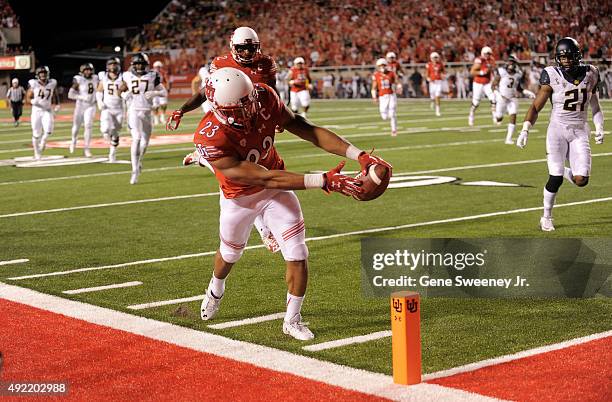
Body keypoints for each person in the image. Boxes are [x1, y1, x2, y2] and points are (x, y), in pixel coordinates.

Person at [185, 67, 390, 340]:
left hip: (274, 190)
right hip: (241, 197)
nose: (248, 111)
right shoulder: (209, 136)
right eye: (239, 109)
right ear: (220, 109)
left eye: (250, 103)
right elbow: (265, 178)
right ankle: (216, 288)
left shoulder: (264, 97)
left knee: (297, 252)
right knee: (230, 255)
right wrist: (324, 181)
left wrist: (359, 155)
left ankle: (292, 319)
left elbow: (307, 130)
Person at [168, 27, 282, 253]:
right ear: (233, 47)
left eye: (251, 48)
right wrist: (182, 109)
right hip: (227, 125)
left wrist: (278, 115)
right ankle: (265, 231)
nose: (248, 53)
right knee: (242, 179)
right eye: (243, 48)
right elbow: (204, 92)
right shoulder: (221, 63)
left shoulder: (266, 64)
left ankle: (203, 159)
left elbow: (273, 91)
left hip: (255, 123)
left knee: (254, 170)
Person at [516, 37, 604, 231]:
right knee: (554, 177)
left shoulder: (591, 73)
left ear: (577, 56)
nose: (564, 61)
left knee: (582, 180)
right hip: (557, 129)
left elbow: (595, 105)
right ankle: (546, 216)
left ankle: (565, 171)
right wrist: (525, 129)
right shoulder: (551, 75)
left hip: (580, 130)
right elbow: (535, 106)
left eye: (568, 57)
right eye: (561, 58)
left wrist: (599, 126)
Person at [119, 52, 167, 184]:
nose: (139, 66)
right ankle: (134, 171)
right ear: (133, 65)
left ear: (146, 65)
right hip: (133, 111)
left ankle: (139, 162)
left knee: (145, 142)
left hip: (147, 112)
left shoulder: (153, 75)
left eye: (141, 64)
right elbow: (120, 90)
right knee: (137, 138)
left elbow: (164, 92)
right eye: (137, 64)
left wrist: (155, 92)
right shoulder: (127, 75)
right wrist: (123, 95)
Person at [492, 56, 535, 144]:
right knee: (499, 118)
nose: (511, 64)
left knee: (513, 115)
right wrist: (497, 95)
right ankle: (496, 114)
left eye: (512, 62)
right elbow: (493, 85)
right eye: (509, 62)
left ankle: (508, 139)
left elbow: (519, 88)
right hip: (502, 98)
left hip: (512, 98)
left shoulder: (517, 74)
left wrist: (527, 92)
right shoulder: (501, 72)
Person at [26, 66, 59, 160]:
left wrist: (57, 104)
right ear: (38, 75)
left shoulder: (52, 83)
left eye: (44, 73)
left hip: (47, 110)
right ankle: (37, 153)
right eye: (41, 73)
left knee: (49, 130)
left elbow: (55, 94)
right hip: (36, 110)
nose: (43, 75)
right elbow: (28, 97)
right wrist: (32, 101)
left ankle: (43, 142)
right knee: (36, 133)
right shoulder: (33, 83)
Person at [96, 57, 125, 162]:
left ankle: (112, 152)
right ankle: (111, 143)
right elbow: (99, 90)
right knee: (105, 130)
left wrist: (126, 94)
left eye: (114, 64)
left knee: (116, 131)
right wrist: (100, 101)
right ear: (107, 66)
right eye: (111, 64)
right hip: (107, 108)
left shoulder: (123, 77)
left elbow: (127, 89)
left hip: (119, 108)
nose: (113, 66)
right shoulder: (103, 77)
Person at [68, 63, 99, 157]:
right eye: (86, 70)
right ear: (82, 72)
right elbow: (70, 95)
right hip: (80, 106)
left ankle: (87, 149)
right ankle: (73, 141)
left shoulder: (96, 78)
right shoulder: (79, 80)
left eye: (89, 70)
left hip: (91, 106)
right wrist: (81, 97)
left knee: (88, 126)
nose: (88, 72)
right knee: (76, 128)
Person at [468, 46, 497, 126]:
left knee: (493, 99)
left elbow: (493, 70)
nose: (488, 55)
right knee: (476, 103)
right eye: (486, 53)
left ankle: (495, 118)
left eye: (489, 53)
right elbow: (472, 72)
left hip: (487, 83)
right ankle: (471, 115)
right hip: (478, 83)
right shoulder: (479, 60)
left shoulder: (491, 60)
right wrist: (481, 72)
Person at [371, 58, 398, 136]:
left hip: (391, 95)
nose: (382, 67)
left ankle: (394, 130)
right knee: (384, 116)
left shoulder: (391, 73)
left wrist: (399, 87)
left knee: (392, 113)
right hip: (382, 97)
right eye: (380, 66)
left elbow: (396, 82)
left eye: (383, 65)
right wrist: (374, 97)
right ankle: (392, 125)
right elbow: (374, 87)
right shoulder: (376, 75)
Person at [426, 52, 445, 116]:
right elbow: (427, 73)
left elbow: (443, 71)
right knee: (432, 95)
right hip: (432, 82)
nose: (436, 59)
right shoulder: (429, 65)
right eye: (434, 57)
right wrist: (428, 79)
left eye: (436, 57)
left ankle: (437, 111)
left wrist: (443, 75)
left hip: (438, 82)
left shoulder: (440, 64)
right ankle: (432, 101)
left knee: (437, 96)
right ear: (431, 58)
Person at [151, 60, 170, 126]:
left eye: (159, 67)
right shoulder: (150, 73)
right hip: (153, 90)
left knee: (163, 104)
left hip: (161, 89)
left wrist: (167, 88)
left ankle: (162, 117)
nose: (157, 68)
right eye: (156, 67)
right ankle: (156, 119)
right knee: (155, 105)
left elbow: (167, 80)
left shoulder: (163, 72)